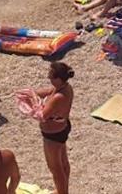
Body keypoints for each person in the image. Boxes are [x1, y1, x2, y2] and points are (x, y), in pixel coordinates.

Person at [35, 62, 74, 194]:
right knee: (62, 162)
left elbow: (42, 116)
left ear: (58, 78)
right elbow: (46, 91)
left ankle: (62, 192)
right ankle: (63, 190)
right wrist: (31, 93)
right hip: (62, 128)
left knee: (55, 167)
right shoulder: (65, 87)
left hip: (53, 134)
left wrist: (29, 105)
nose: (49, 78)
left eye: (51, 76)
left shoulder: (58, 97)